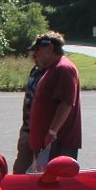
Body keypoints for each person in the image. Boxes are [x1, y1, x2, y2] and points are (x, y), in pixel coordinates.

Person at [28, 31, 82, 166]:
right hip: (47, 144)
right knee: (42, 177)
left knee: (55, 177)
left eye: (38, 50)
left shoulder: (63, 68)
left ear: (50, 47)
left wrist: (52, 132)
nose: (36, 54)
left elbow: (66, 103)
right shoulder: (52, 68)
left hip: (57, 143)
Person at [11, 46, 47, 174]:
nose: (36, 59)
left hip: (43, 132)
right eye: (34, 56)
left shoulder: (51, 73)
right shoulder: (34, 71)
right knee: (20, 168)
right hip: (27, 127)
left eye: (38, 55)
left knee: (41, 169)